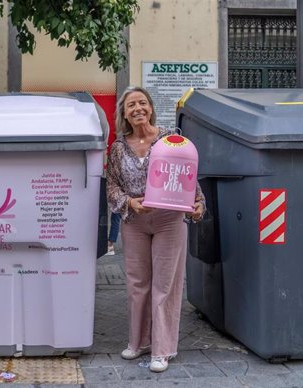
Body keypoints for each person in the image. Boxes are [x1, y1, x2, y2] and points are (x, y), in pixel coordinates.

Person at [106, 86, 205, 373]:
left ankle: (161, 350)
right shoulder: (118, 147)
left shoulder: (171, 140)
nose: (137, 109)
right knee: (137, 285)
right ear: (124, 113)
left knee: (165, 286)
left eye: (142, 103)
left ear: (150, 107)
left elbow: (187, 176)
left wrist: (199, 204)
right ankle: (138, 342)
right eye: (131, 105)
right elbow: (111, 185)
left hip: (168, 220)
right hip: (134, 221)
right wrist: (130, 203)